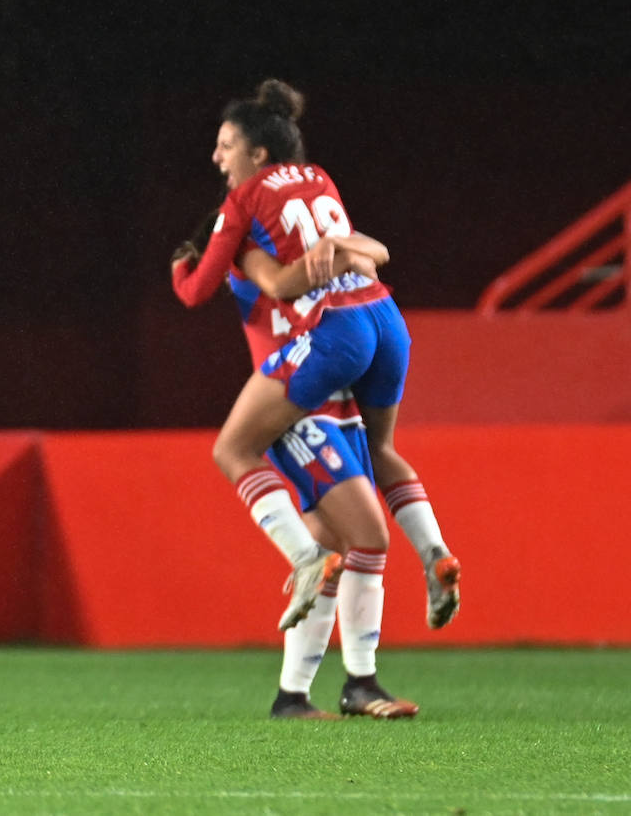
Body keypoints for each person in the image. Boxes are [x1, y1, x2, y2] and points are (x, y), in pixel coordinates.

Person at [171, 79, 452, 714]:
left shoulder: (249, 215)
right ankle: (359, 680)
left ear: (258, 155)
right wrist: (347, 250)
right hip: (305, 394)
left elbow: (224, 284)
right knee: (366, 536)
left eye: (224, 146)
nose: (217, 158)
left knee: (336, 541)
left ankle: (295, 693)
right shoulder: (264, 235)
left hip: (326, 381)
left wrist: (345, 253)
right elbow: (284, 279)